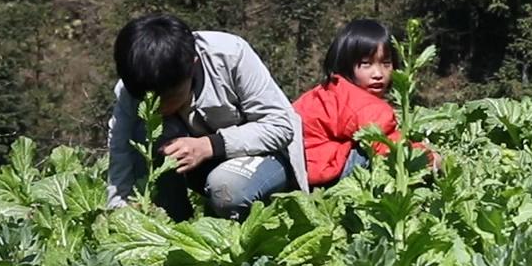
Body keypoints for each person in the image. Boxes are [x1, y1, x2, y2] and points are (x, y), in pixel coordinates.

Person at [106, 13, 310, 220]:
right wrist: (119, 213)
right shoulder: (133, 84)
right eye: (147, 101)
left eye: (170, 98)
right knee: (141, 135)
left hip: (263, 156)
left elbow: (280, 126)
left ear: (194, 64)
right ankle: (171, 227)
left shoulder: (230, 56)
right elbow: (120, 151)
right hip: (198, 167)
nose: (159, 108)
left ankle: (247, 242)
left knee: (228, 189)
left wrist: (209, 146)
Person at [294, 19, 436, 186]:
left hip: (302, 167)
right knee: (368, 152)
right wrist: (430, 157)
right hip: (320, 172)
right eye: (366, 64)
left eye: (386, 63)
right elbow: (388, 146)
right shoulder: (362, 105)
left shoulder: (328, 90)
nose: (378, 73)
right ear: (346, 64)